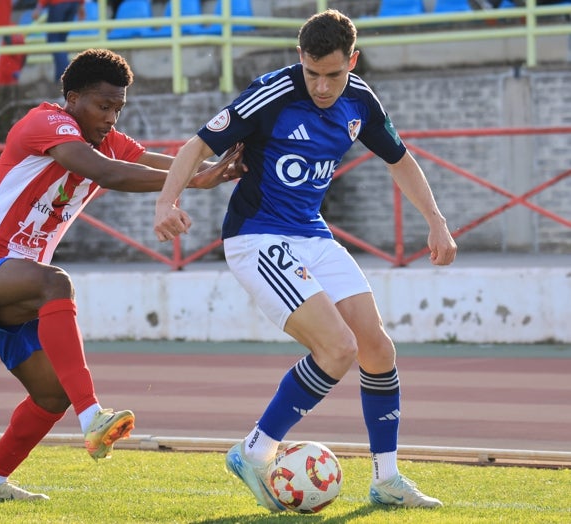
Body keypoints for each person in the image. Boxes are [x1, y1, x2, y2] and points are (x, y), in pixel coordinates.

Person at [153, 9, 457, 512]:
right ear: (300, 58)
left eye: (333, 74)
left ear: (352, 61)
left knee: (377, 349)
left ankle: (387, 478)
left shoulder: (360, 98)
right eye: (312, 72)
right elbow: (199, 144)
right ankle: (254, 451)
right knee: (337, 349)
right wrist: (167, 202)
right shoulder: (271, 92)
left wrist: (437, 220)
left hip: (312, 235)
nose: (321, 86)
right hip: (257, 236)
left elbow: (399, 159)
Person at [0, 48, 244, 502]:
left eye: (118, 109)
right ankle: (92, 419)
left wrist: (221, 172)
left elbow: (162, 164)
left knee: (49, 396)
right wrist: (192, 181)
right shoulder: (46, 124)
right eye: (103, 107)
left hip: (15, 288)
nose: (111, 118)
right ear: (72, 98)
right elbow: (107, 173)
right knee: (56, 282)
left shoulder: (107, 139)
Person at [32, 0, 85, 82]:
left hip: (58, 4)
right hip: (73, 3)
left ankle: (66, 75)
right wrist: (81, 5)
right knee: (61, 41)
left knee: (54, 40)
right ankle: (60, 77)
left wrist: (38, 8)